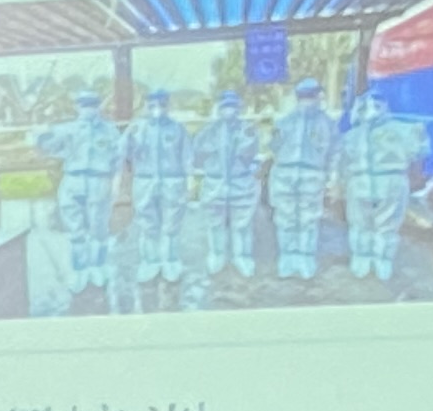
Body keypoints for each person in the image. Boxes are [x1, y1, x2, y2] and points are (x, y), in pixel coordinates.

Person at [41, 83, 124, 316]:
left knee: (98, 229)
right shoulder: (66, 129)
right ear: (77, 107)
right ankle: (79, 270)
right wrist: (44, 132)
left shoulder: (109, 131)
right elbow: (47, 147)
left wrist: (116, 184)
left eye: (92, 105)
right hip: (73, 180)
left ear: (99, 107)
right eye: (84, 105)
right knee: (75, 230)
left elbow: (118, 160)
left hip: (99, 181)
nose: (88, 109)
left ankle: (97, 267)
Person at [129, 86, 202, 309]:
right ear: (146, 105)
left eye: (161, 104)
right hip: (145, 181)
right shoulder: (138, 128)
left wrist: (190, 180)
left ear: (168, 105)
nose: (157, 109)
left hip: (172, 181)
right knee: (147, 225)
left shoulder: (177, 129)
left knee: (171, 225)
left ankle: (170, 262)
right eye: (152, 104)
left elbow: (187, 156)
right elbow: (124, 154)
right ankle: (150, 262)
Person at [340, 88, 417, 284]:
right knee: (360, 224)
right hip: (360, 182)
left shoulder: (404, 130)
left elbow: (418, 154)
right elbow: (343, 161)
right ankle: (362, 260)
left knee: (386, 226)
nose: (372, 108)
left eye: (377, 103)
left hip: (390, 182)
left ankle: (382, 261)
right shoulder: (353, 134)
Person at [266, 77, 337, 283]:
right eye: (304, 97)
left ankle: (306, 258)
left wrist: (332, 177)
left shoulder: (327, 124)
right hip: (285, 174)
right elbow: (272, 147)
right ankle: (287, 258)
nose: (308, 101)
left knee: (308, 219)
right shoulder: (284, 122)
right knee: (285, 218)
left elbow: (335, 152)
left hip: (312, 175)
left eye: (311, 97)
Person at [201, 86, 266, 283]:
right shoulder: (208, 131)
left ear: (238, 108)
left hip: (240, 184)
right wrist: (211, 126)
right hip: (215, 184)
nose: (228, 110)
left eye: (232, 106)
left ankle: (242, 257)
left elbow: (249, 153)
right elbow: (198, 154)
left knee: (242, 225)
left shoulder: (247, 130)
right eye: (225, 106)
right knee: (215, 224)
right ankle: (217, 255)